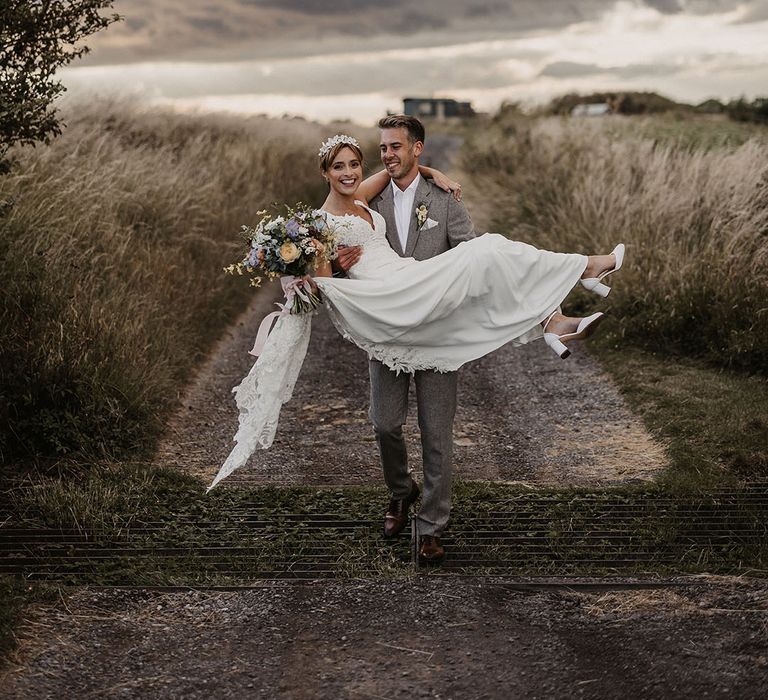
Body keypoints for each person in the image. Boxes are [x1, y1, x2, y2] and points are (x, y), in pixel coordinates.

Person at [209, 124, 624, 566]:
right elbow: (329, 286)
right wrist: (328, 268)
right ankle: (401, 491)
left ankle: (431, 527)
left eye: (356, 163)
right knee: (385, 424)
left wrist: (431, 172)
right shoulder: (318, 224)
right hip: (394, 306)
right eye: (339, 166)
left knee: (486, 258)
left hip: (423, 300)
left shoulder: (374, 194)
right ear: (325, 172)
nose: (351, 172)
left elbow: (393, 172)